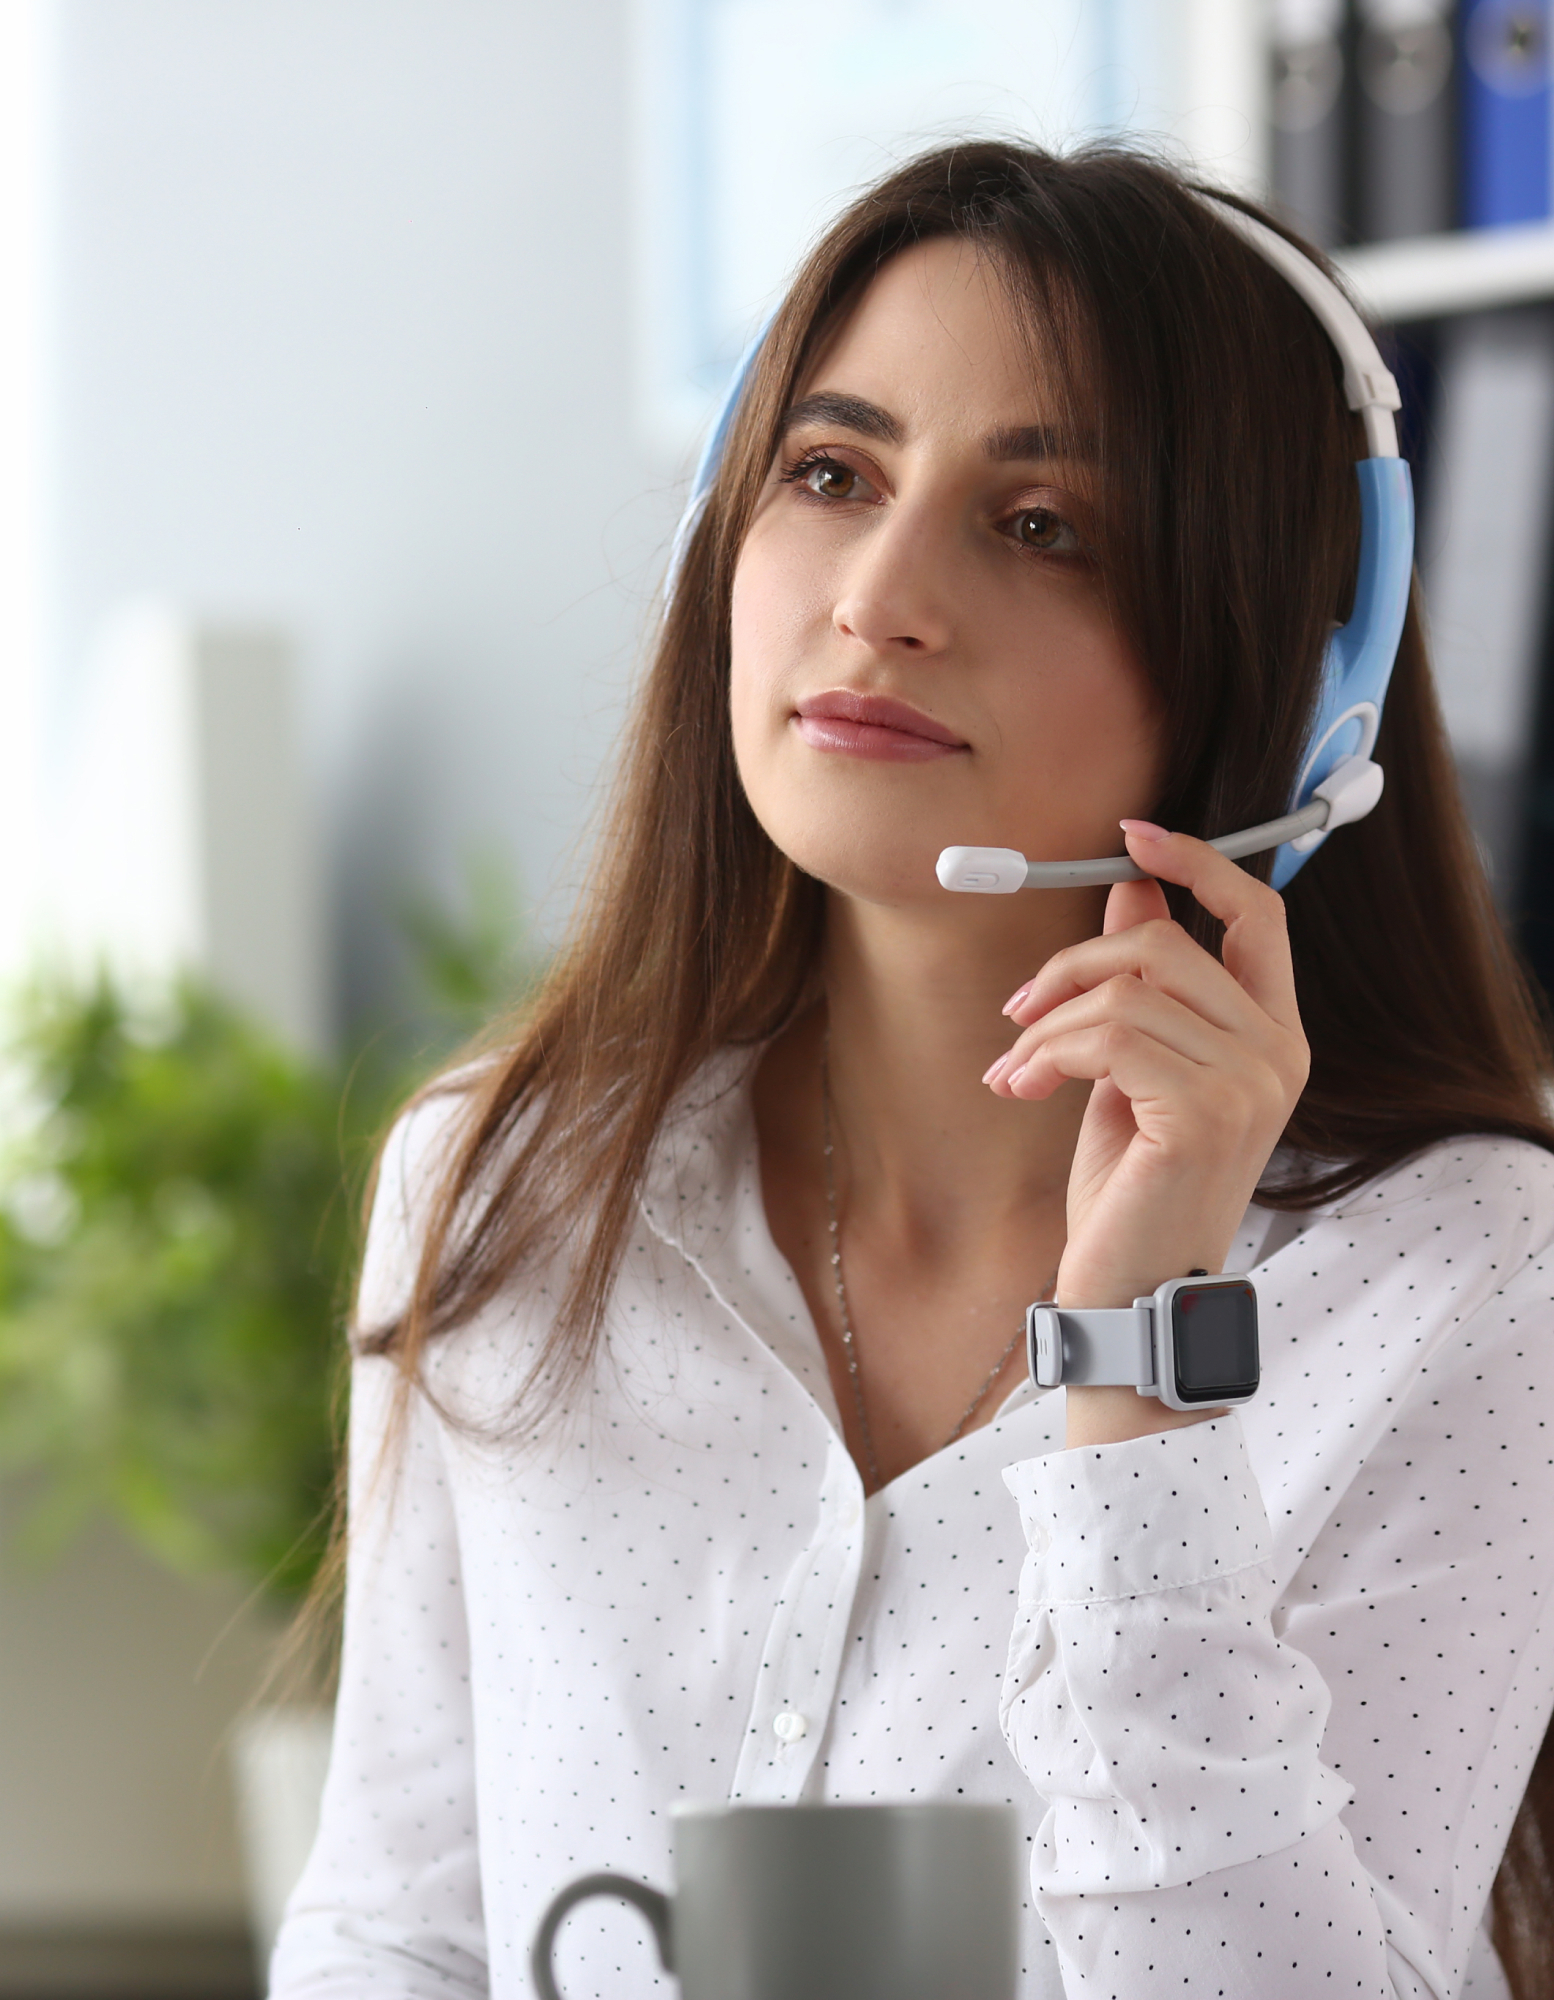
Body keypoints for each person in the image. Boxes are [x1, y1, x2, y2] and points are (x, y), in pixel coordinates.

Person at [270, 143, 1554, 2000]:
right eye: (829, 475)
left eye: (1038, 525)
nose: (877, 596)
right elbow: (398, 1928)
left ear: (1291, 674)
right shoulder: (506, 1179)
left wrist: (1142, 1375)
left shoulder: (1469, 1271)